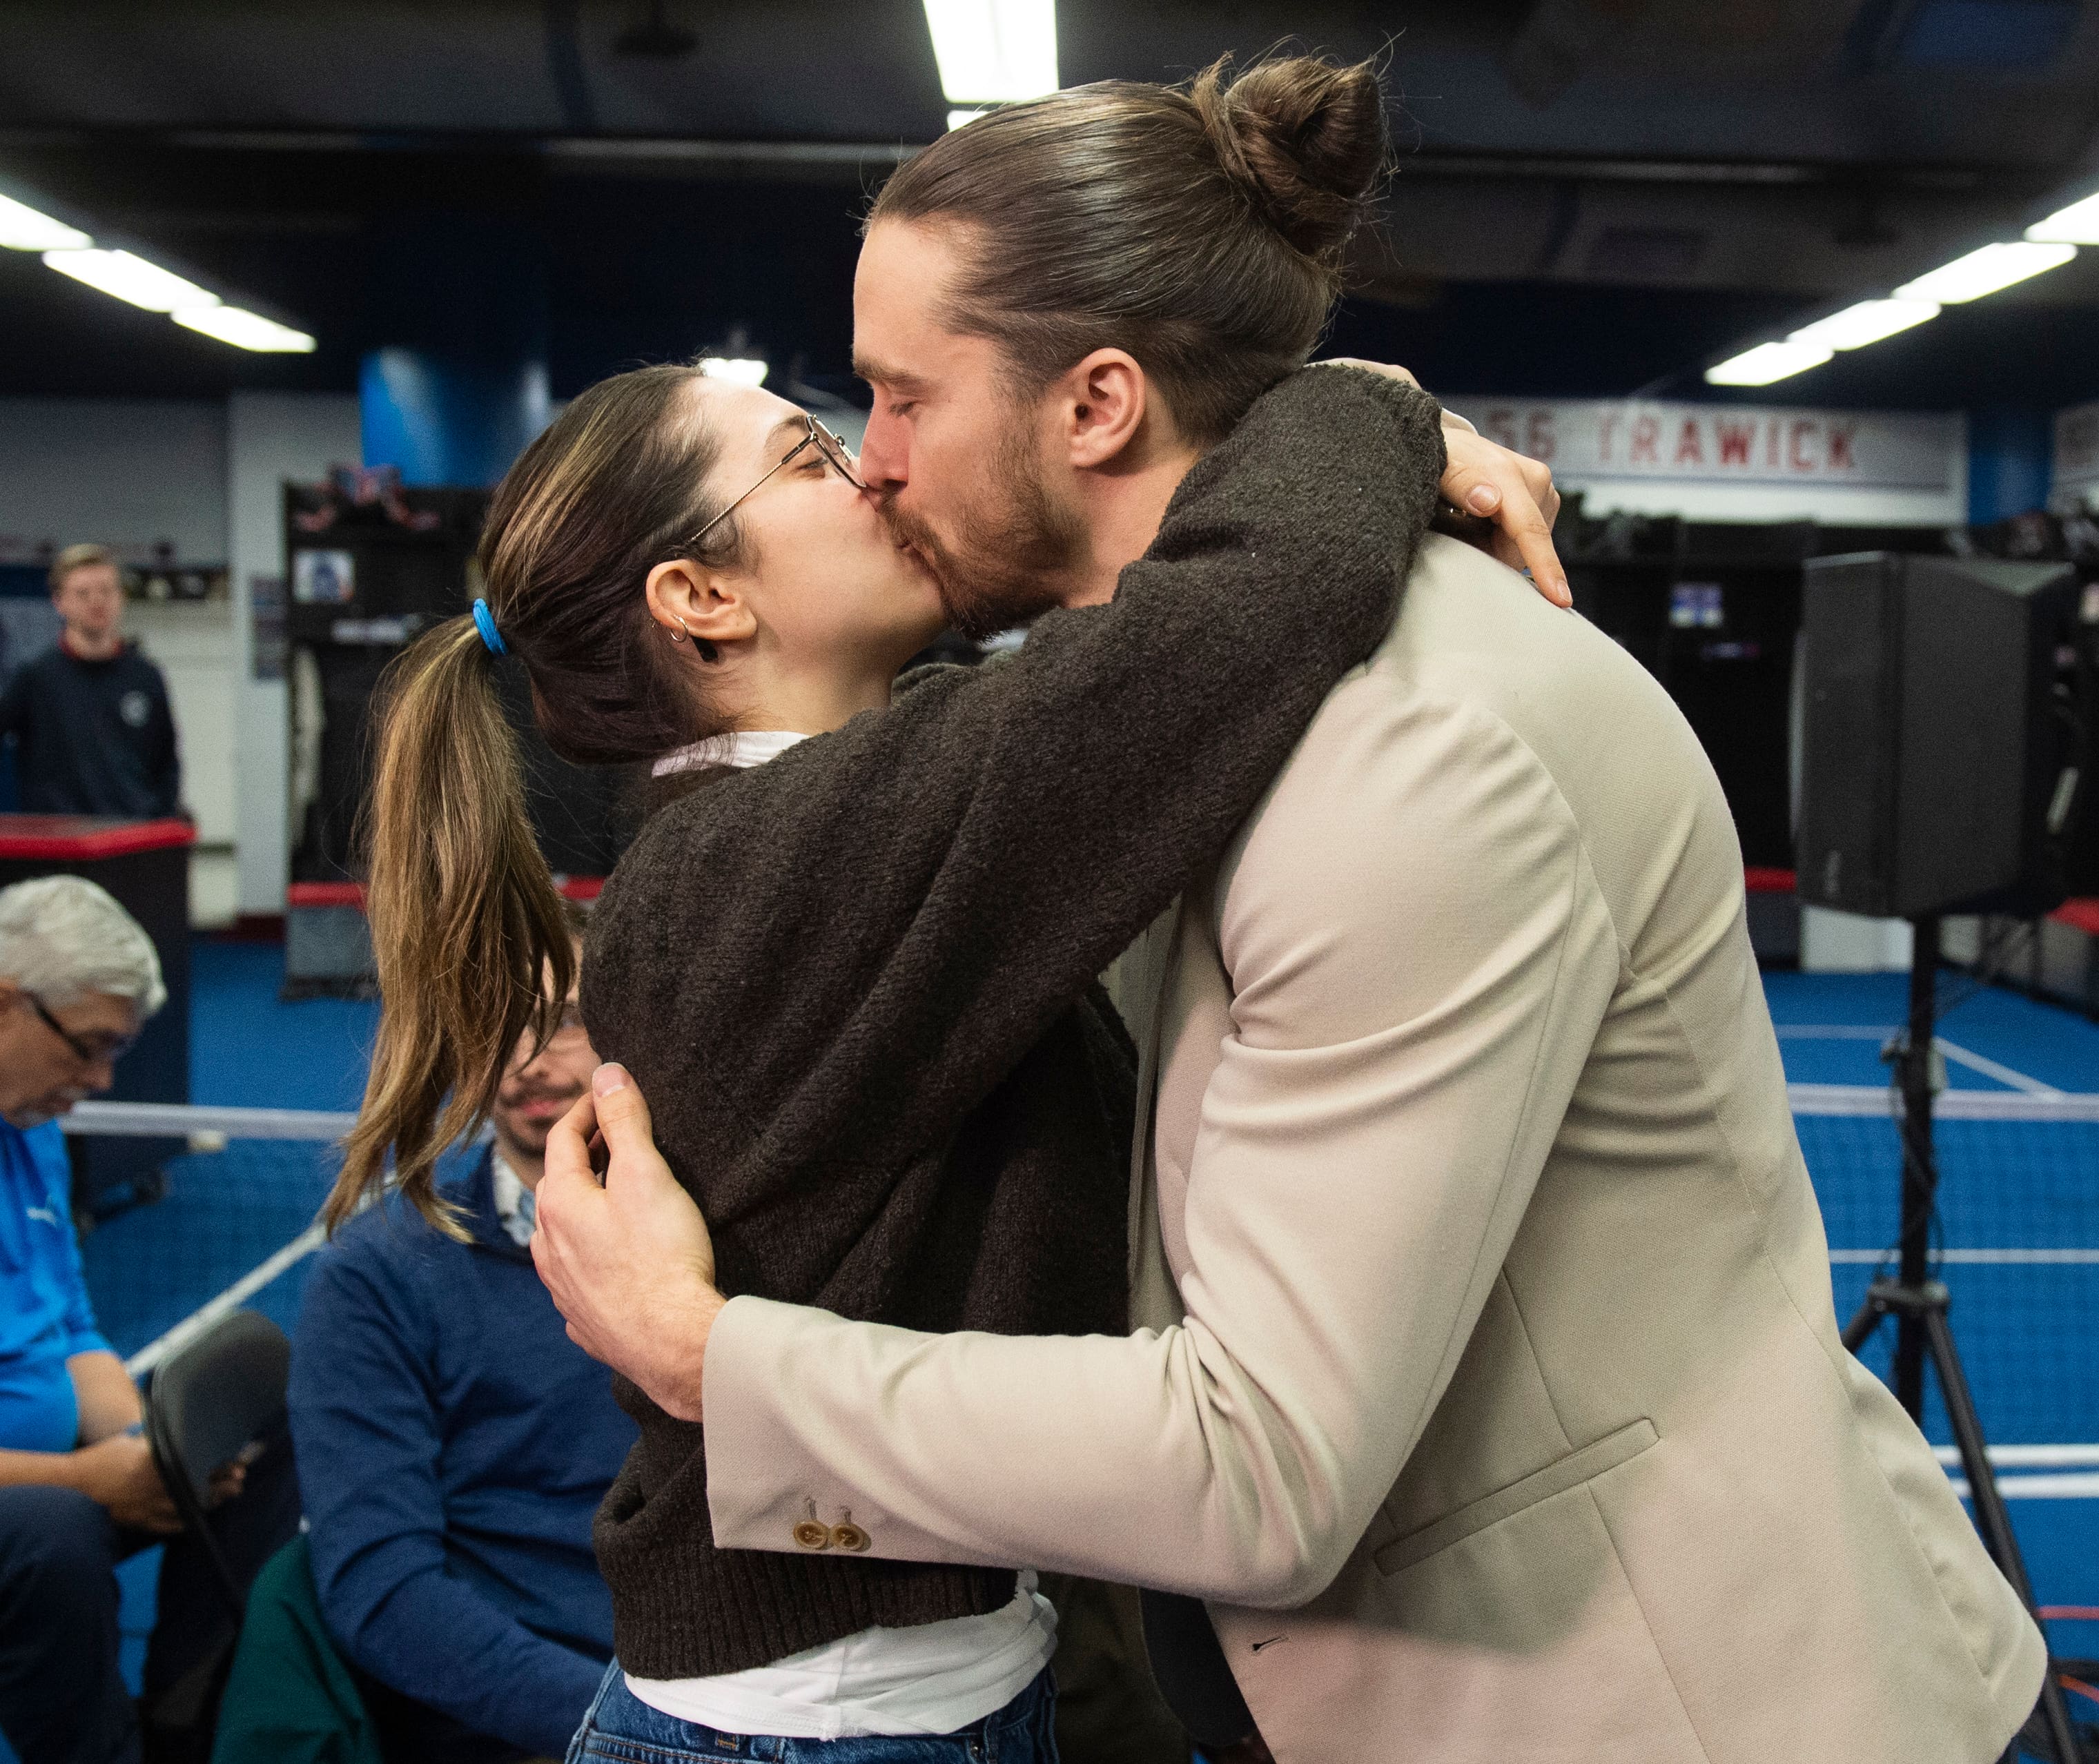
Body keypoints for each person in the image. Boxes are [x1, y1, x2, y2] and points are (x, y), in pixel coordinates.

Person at [531, 53, 2051, 1764]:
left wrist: (709, 1361)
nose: (878, 468)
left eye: (897, 401)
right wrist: (1376, 415)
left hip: (1645, 1710)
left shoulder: (1398, 749)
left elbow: (1254, 1463)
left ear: (1095, 407)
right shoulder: (1153, 704)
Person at [319, 61, 1557, 1756]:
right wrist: (1364, 398)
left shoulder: (803, 817)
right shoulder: (775, 858)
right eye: (815, 451)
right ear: (702, 598)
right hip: (826, 1727)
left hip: (892, 1684)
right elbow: (1236, 620)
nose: (883, 471)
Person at [281, 900, 634, 1764]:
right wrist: (623, 1737)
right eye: (492, 1024)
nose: (525, 1061)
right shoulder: (377, 1278)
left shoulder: (733, 1243)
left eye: (564, 1023)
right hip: (539, 1723)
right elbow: (384, 1593)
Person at [0, 875, 282, 1764]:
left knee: (257, 1437)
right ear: (5, 1002)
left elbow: (71, 1328)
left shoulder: (34, 1126)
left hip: (60, 1474)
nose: (99, 1081)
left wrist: (145, 1451)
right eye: (88, 1048)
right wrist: (88, 1479)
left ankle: (184, 1728)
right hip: (36, 1512)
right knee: (53, 1537)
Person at [0, 545, 184, 820]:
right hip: (59, 843)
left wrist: (159, 817)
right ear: (59, 602)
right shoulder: (36, 678)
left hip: (131, 838)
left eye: (106, 591)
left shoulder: (146, 676)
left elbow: (166, 761)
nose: (96, 601)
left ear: (121, 597)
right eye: (83, 593)